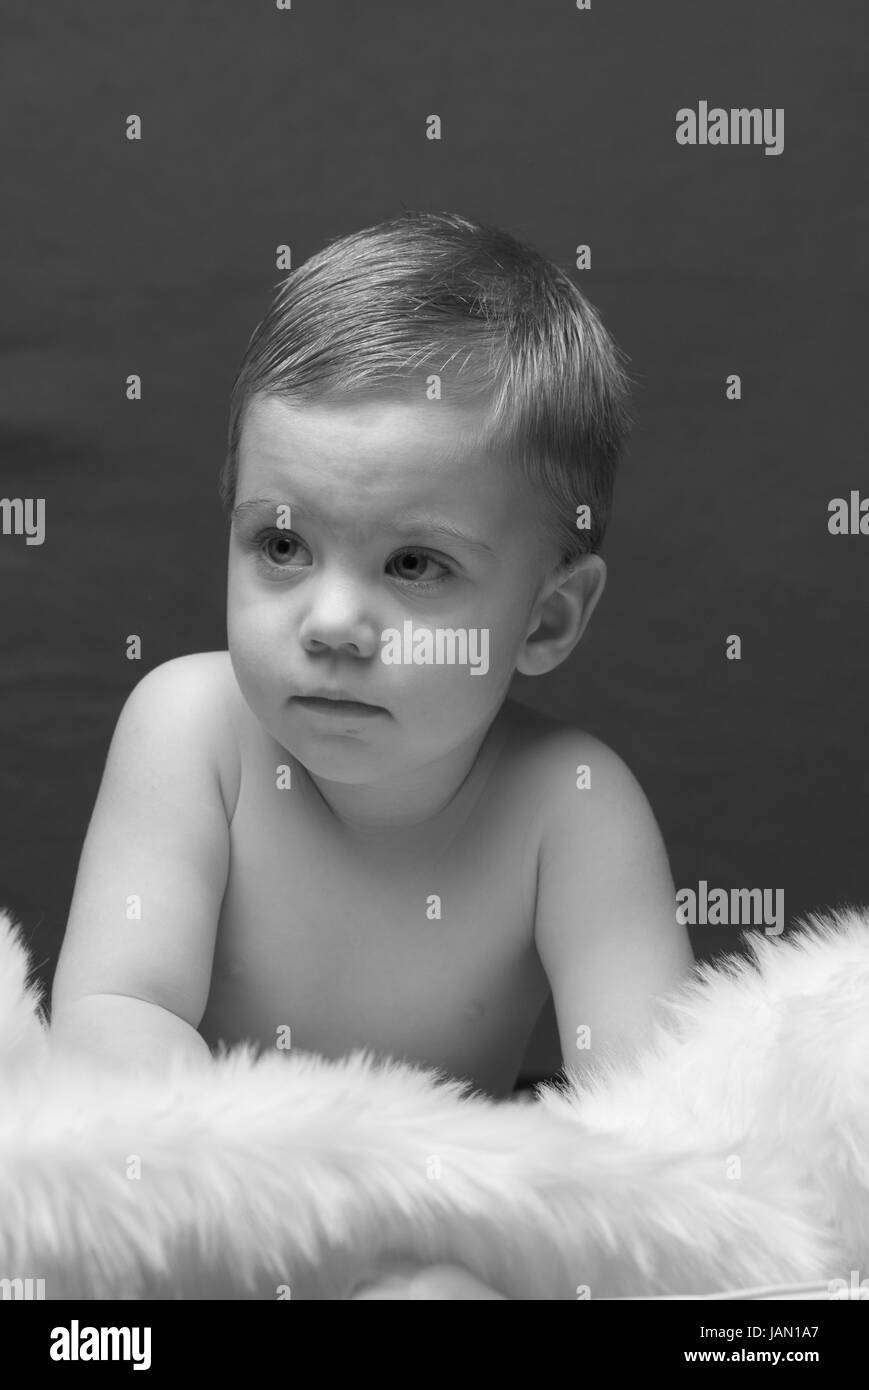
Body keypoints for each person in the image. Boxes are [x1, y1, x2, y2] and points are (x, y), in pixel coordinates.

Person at [50, 210, 693, 1108]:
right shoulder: (191, 729)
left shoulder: (572, 806)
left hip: (439, 1218)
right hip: (212, 1204)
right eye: (282, 545)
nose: (333, 623)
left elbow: (658, 1109)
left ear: (546, 621)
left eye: (414, 564)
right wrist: (290, 1195)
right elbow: (115, 1017)